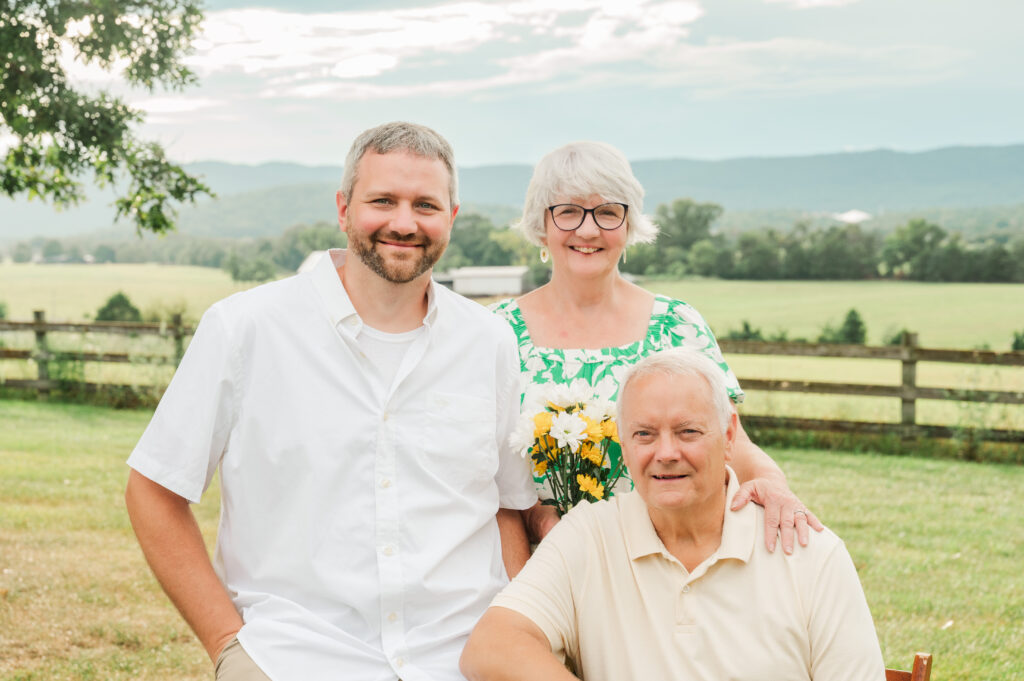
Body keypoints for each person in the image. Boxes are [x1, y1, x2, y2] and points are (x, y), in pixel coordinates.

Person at [124, 122, 537, 681]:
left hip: (462, 654)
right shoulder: (246, 328)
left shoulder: (488, 340)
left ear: (452, 218)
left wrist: (514, 630)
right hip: (295, 654)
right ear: (343, 208)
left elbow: (507, 504)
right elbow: (154, 487)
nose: (404, 222)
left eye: (426, 205)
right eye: (382, 201)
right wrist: (228, 645)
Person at [461, 348, 886, 681]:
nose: (666, 453)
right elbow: (491, 649)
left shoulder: (808, 551)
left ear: (729, 434)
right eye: (644, 434)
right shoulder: (589, 536)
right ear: (624, 446)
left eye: (688, 432)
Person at [493, 141, 820, 551]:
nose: (589, 230)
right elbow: (485, 478)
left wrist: (774, 486)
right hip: (535, 560)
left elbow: (731, 444)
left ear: (630, 226)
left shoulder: (675, 324)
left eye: (608, 212)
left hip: (663, 560)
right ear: (541, 223)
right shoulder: (495, 333)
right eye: (569, 211)